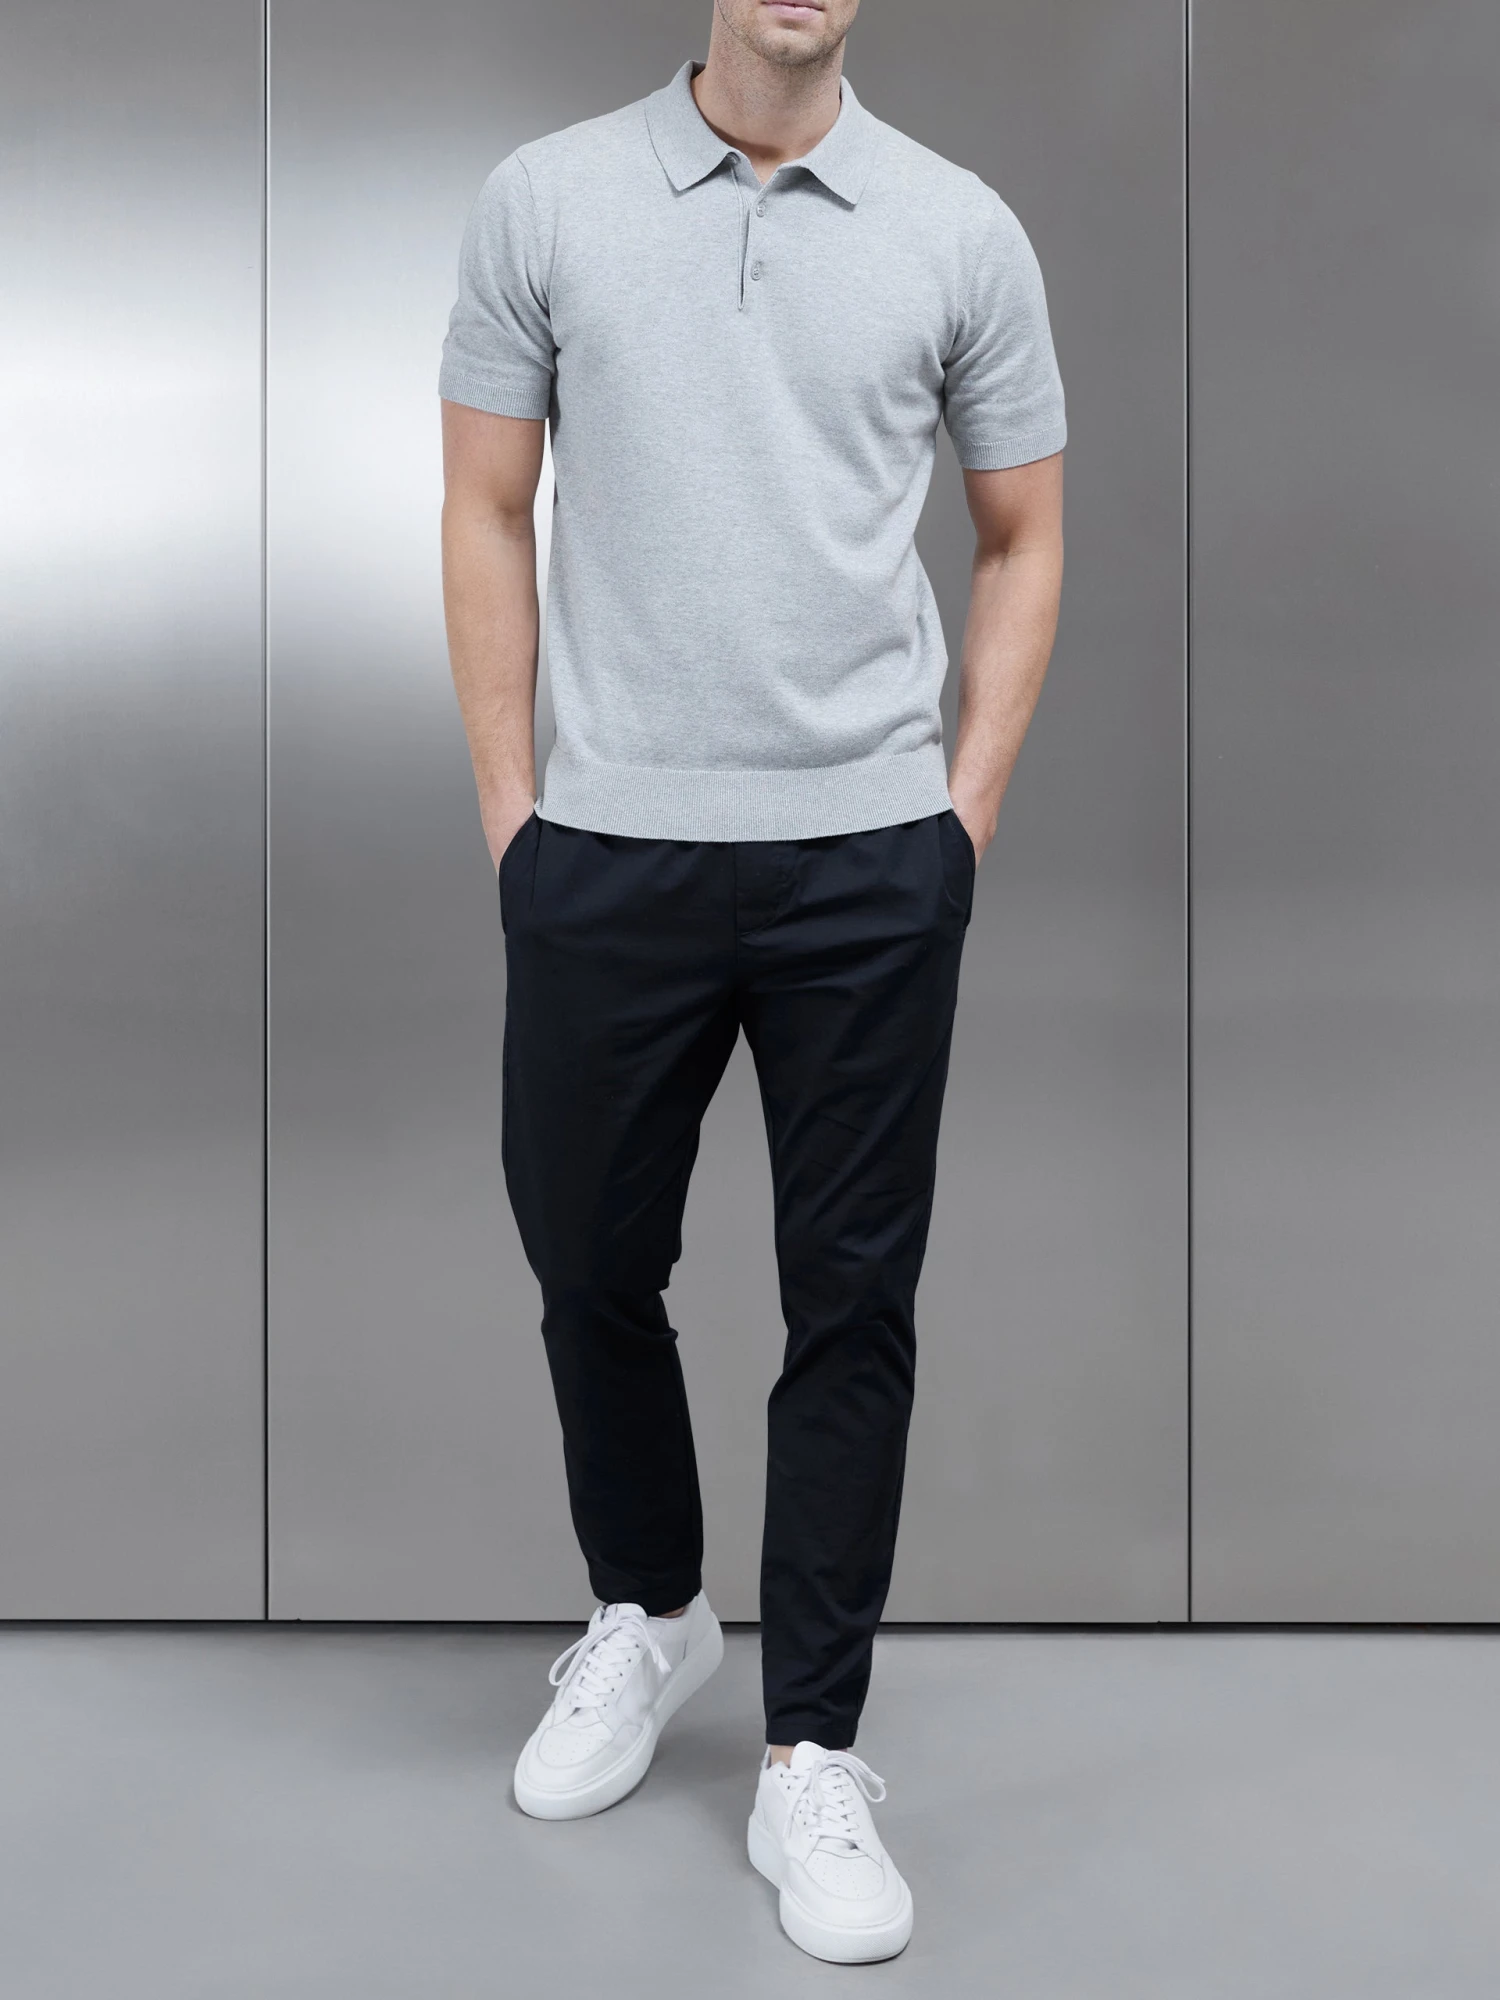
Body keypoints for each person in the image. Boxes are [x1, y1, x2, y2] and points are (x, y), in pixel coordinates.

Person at [438, 0, 1064, 1964]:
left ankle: (812, 1751)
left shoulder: (959, 229)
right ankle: (648, 1611)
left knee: (850, 1298)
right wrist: (518, 819)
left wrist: (957, 819)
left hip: (866, 860)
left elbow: (1026, 535)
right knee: (588, 1260)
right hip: (607, 847)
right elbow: (484, 502)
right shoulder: (547, 200)